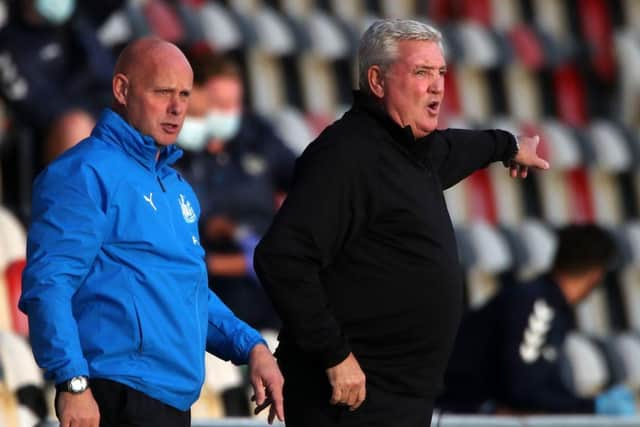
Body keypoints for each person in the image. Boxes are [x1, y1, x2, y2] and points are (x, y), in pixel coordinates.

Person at [253, 18, 549, 427]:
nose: (438, 85)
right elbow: (282, 258)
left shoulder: (417, 152)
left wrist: (510, 146)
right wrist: (334, 355)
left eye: (441, 72)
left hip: (401, 400)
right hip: (347, 400)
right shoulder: (345, 156)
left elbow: (461, 146)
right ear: (376, 80)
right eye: (421, 72)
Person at [19, 37, 284, 427]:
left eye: (184, 94)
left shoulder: (176, 188)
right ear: (122, 90)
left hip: (171, 402)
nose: (178, 108)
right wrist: (73, 383)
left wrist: (253, 347)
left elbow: (188, 291)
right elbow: (49, 284)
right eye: (162, 92)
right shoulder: (83, 174)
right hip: (113, 396)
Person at [439, 224, 637, 416]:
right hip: (462, 412)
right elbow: (521, 391)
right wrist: (591, 407)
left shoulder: (549, 304)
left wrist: (585, 405)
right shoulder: (537, 305)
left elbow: (543, 384)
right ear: (596, 274)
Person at [176, 46, 296, 332]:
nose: (229, 113)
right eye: (219, 103)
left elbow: (307, 179)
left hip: (270, 264)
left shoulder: (256, 134)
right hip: (215, 276)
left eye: (235, 103)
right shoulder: (183, 151)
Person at [0, 0, 116, 163]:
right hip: (60, 129)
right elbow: (34, 108)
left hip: (109, 107)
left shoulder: (80, 18)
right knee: (75, 126)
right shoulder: (10, 45)